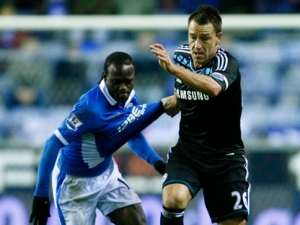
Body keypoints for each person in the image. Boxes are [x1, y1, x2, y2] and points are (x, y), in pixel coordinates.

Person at [29, 51, 178, 225]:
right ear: (104, 77)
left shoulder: (130, 98)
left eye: (128, 81)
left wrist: (156, 162)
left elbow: (131, 133)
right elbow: (52, 143)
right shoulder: (89, 107)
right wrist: (41, 194)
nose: (123, 87)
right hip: (75, 184)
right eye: (116, 82)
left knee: (137, 221)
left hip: (106, 175)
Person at [149, 5, 250, 225]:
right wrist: (169, 104)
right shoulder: (182, 56)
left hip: (225, 158)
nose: (197, 45)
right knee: (173, 198)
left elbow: (213, 88)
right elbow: (182, 97)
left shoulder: (227, 63)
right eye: (192, 36)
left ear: (218, 38)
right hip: (189, 153)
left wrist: (174, 69)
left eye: (204, 38)